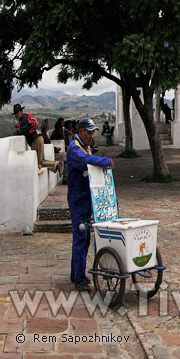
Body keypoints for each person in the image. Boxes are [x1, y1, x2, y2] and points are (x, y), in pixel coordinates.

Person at [60, 119, 111, 290]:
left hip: (87, 197)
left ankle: (76, 274)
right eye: (88, 132)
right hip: (78, 199)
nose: (91, 136)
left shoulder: (85, 146)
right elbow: (87, 160)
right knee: (80, 236)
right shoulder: (75, 148)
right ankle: (80, 279)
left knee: (84, 237)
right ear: (80, 131)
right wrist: (105, 161)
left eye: (92, 132)